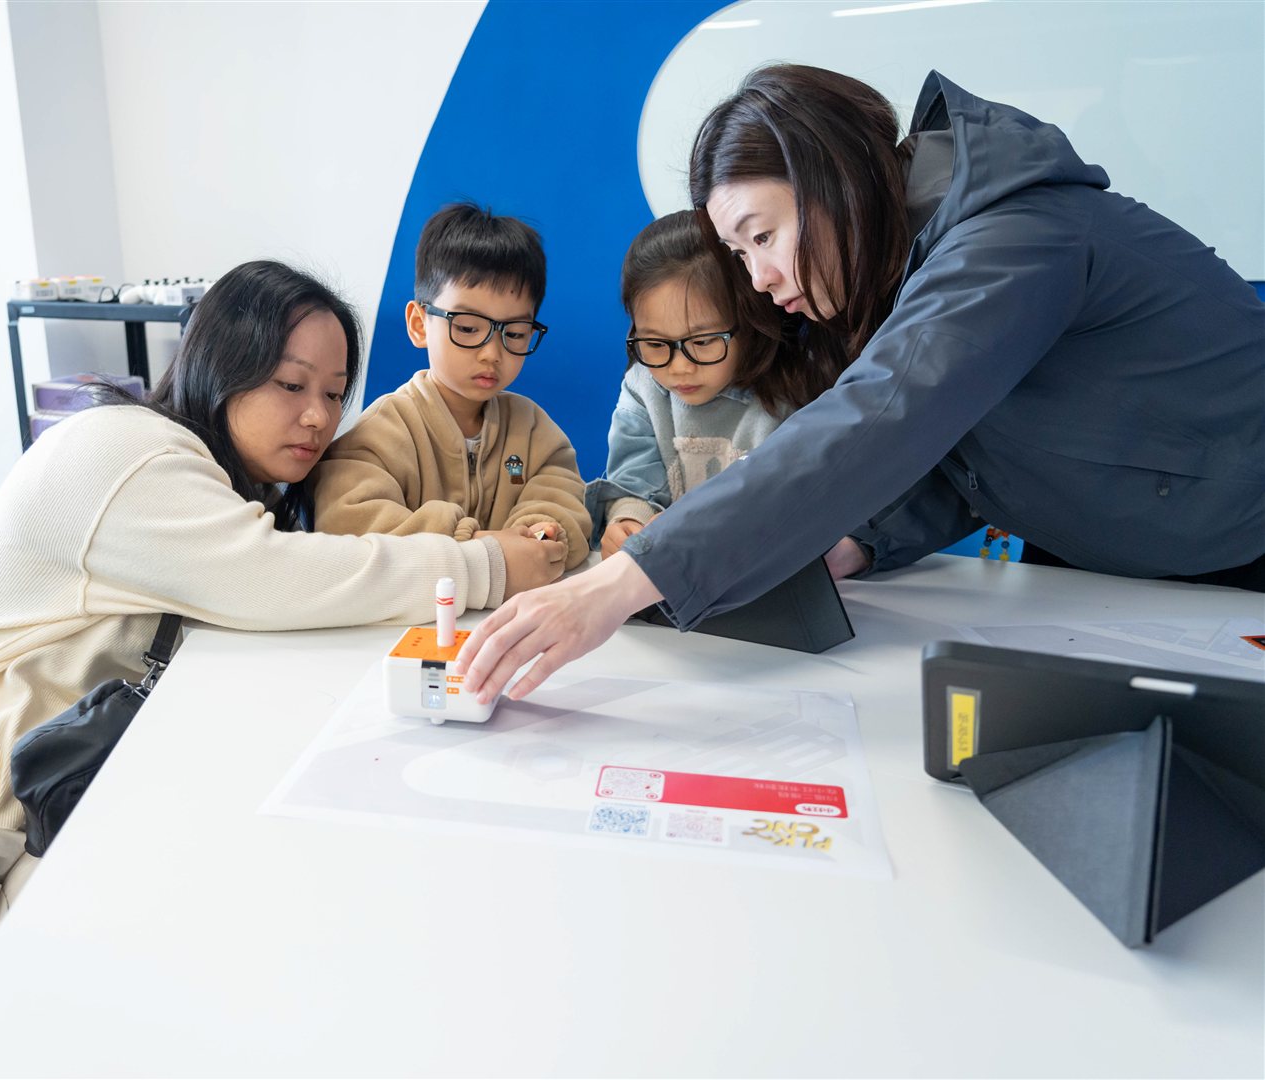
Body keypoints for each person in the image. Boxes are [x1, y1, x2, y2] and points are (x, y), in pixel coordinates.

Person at [0, 260, 564, 1078]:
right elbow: (270, 580)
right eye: (289, 383)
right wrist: (490, 563)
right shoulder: (126, 451)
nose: (317, 416)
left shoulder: (229, 492)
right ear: (219, 367)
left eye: (335, 392)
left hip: (47, 821)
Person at [455, 65, 1265, 704]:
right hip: (1116, 566)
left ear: (834, 178)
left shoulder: (1013, 239)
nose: (761, 278)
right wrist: (852, 540)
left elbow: (880, 417)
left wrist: (614, 586)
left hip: (1236, 553)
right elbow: (973, 459)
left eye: (764, 236)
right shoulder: (911, 268)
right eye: (740, 255)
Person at [312, 202, 593, 570]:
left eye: (514, 333)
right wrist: (479, 547)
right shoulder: (381, 432)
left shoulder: (534, 430)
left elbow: (563, 501)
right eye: (468, 328)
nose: (492, 353)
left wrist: (542, 534)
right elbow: (346, 523)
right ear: (419, 324)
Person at [589, 209, 813, 561]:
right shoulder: (643, 388)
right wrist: (628, 519)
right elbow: (634, 482)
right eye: (655, 343)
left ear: (750, 321)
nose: (680, 367)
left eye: (703, 342)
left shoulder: (795, 391)